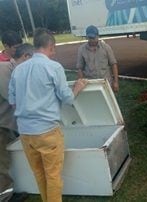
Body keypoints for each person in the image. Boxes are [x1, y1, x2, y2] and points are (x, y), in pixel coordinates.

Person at [8, 28, 88, 202]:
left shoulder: (18, 70)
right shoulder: (53, 67)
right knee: (52, 176)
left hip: (25, 133)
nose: (54, 52)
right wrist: (77, 88)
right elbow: (67, 98)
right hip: (47, 131)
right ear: (51, 46)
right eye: (54, 49)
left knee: (39, 174)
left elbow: (13, 102)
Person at [0, 43, 34, 202]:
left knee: (6, 159)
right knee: (2, 163)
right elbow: (13, 98)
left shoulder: (15, 70)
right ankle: (5, 197)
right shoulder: (4, 69)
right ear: (26, 57)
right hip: (2, 124)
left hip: (8, 123)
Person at [76, 25, 119, 92]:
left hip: (106, 83)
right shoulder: (81, 49)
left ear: (98, 36)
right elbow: (79, 68)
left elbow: (113, 64)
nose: (92, 40)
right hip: (90, 84)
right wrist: (81, 84)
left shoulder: (106, 48)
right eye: (90, 38)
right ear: (86, 37)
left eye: (93, 38)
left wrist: (115, 82)